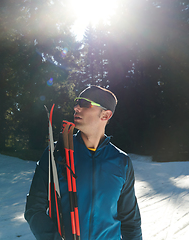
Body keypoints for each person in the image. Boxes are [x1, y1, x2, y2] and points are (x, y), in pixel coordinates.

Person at [24, 85, 142, 240]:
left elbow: (130, 221)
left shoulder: (121, 162)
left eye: (85, 104)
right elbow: (34, 209)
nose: (76, 108)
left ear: (105, 115)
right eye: (77, 102)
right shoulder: (56, 153)